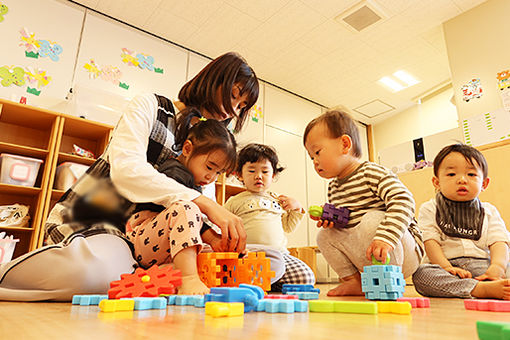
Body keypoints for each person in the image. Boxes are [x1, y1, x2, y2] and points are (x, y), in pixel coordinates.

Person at [0, 52, 259, 301]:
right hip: (92, 222)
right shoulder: (151, 105)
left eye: (241, 106)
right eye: (234, 96)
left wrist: (215, 238)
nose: (232, 111)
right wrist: (205, 205)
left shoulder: (213, 146)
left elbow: (197, 212)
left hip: (142, 243)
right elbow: (127, 171)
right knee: (97, 275)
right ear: (213, 80)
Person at [303, 110, 424, 296]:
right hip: (370, 254)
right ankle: (354, 281)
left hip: (401, 249)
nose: (315, 161)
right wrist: (332, 220)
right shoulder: (333, 187)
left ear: (344, 144)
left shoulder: (371, 172)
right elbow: (349, 223)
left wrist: (386, 237)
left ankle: (389, 282)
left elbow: (403, 199)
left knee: (372, 219)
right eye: (312, 157)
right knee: (324, 235)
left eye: (317, 152)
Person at [127, 118, 237, 295]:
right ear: (187, 149)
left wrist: (220, 245)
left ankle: (168, 274)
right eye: (210, 167)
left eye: (218, 172)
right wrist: (213, 238)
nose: (212, 177)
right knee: (187, 209)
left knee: (204, 248)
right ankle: (188, 279)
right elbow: (185, 217)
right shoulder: (174, 171)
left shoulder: (195, 181)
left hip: (162, 249)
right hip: (142, 240)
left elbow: (191, 229)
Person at [412, 143, 510, 299]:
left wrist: (497, 268)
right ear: (437, 182)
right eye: (451, 174)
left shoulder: (489, 211)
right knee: (421, 275)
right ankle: (478, 289)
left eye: (471, 175)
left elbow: (499, 241)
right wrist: (446, 267)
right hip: (448, 268)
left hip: (485, 266)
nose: (462, 180)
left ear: (484, 183)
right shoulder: (430, 208)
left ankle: (492, 283)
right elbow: (430, 241)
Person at [224, 144, 315, 291]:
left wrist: (297, 208)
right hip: (250, 254)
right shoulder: (234, 201)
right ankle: (265, 283)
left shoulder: (277, 200)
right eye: (252, 171)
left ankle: (269, 282)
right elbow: (225, 227)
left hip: (279, 253)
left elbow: (288, 227)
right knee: (234, 274)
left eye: (265, 171)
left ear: (272, 176)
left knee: (306, 278)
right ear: (240, 175)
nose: (258, 176)